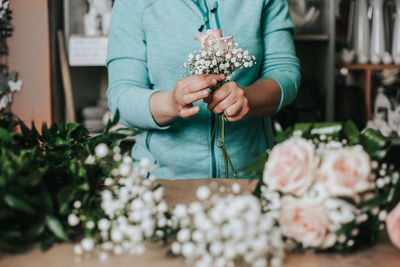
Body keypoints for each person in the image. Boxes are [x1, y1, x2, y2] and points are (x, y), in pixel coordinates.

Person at [107, 0, 301, 179]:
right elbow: (121, 96)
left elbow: (284, 71)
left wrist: (248, 99)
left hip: (252, 175)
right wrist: (171, 103)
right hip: (161, 182)